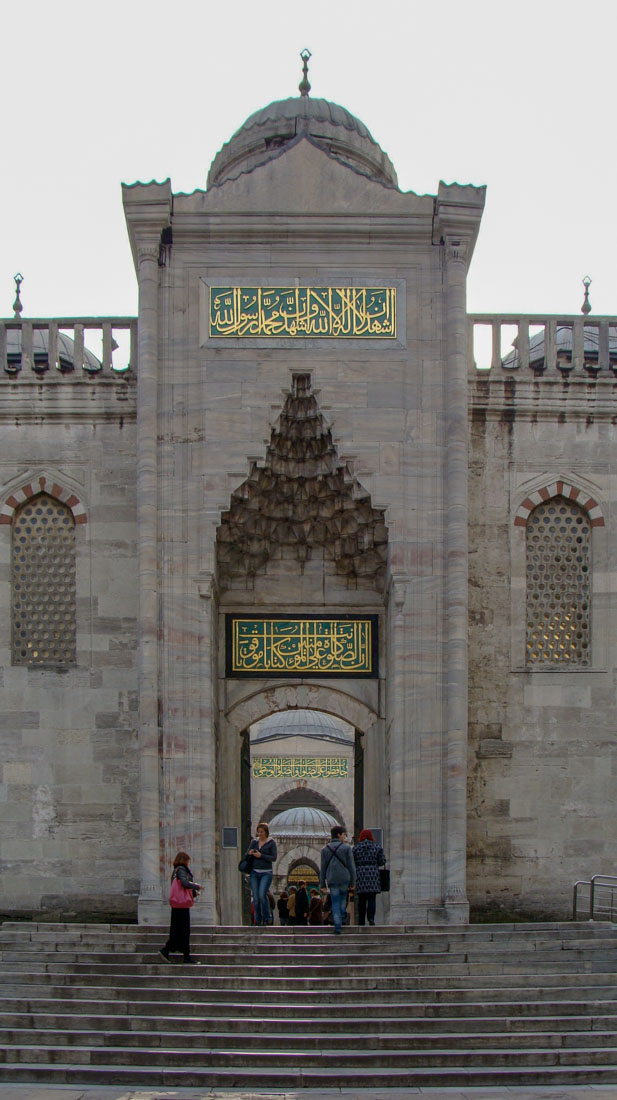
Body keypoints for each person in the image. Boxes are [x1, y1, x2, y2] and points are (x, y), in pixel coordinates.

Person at [159, 851, 201, 964]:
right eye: (188, 861)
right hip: (181, 905)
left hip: (177, 904)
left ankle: (170, 951)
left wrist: (193, 893)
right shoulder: (181, 869)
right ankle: (181, 954)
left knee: (178, 930)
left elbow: (181, 887)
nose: (188, 863)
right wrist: (196, 886)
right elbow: (184, 883)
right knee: (183, 930)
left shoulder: (175, 871)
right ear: (184, 860)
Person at [320, 825, 356, 935]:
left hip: (332, 879)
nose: (344, 837)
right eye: (344, 834)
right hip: (344, 878)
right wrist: (353, 882)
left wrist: (322, 884)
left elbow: (323, 868)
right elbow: (351, 866)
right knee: (342, 899)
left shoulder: (325, 849)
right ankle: (342, 913)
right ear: (338, 835)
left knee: (335, 901)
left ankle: (337, 926)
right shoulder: (346, 848)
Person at [352, 828, 387, 926]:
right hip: (373, 875)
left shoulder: (356, 848)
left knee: (362, 899)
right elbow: (382, 861)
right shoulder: (377, 847)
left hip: (361, 874)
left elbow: (352, 861)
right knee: (372, 898)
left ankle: (361, 920)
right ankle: (371, 918)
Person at [248, 821, 277, 926]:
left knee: (261, 895)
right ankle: (258, 920)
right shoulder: (254, 842)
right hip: (254, 872)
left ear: (266, 832)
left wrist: (262, 855)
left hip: (266, 872)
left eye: (261, 832)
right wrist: (250, 853)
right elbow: (247, 854)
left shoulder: (271, 843)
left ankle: (267, 917)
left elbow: (273, 858)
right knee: (255, 898)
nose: (259, 834)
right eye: (258, 832)